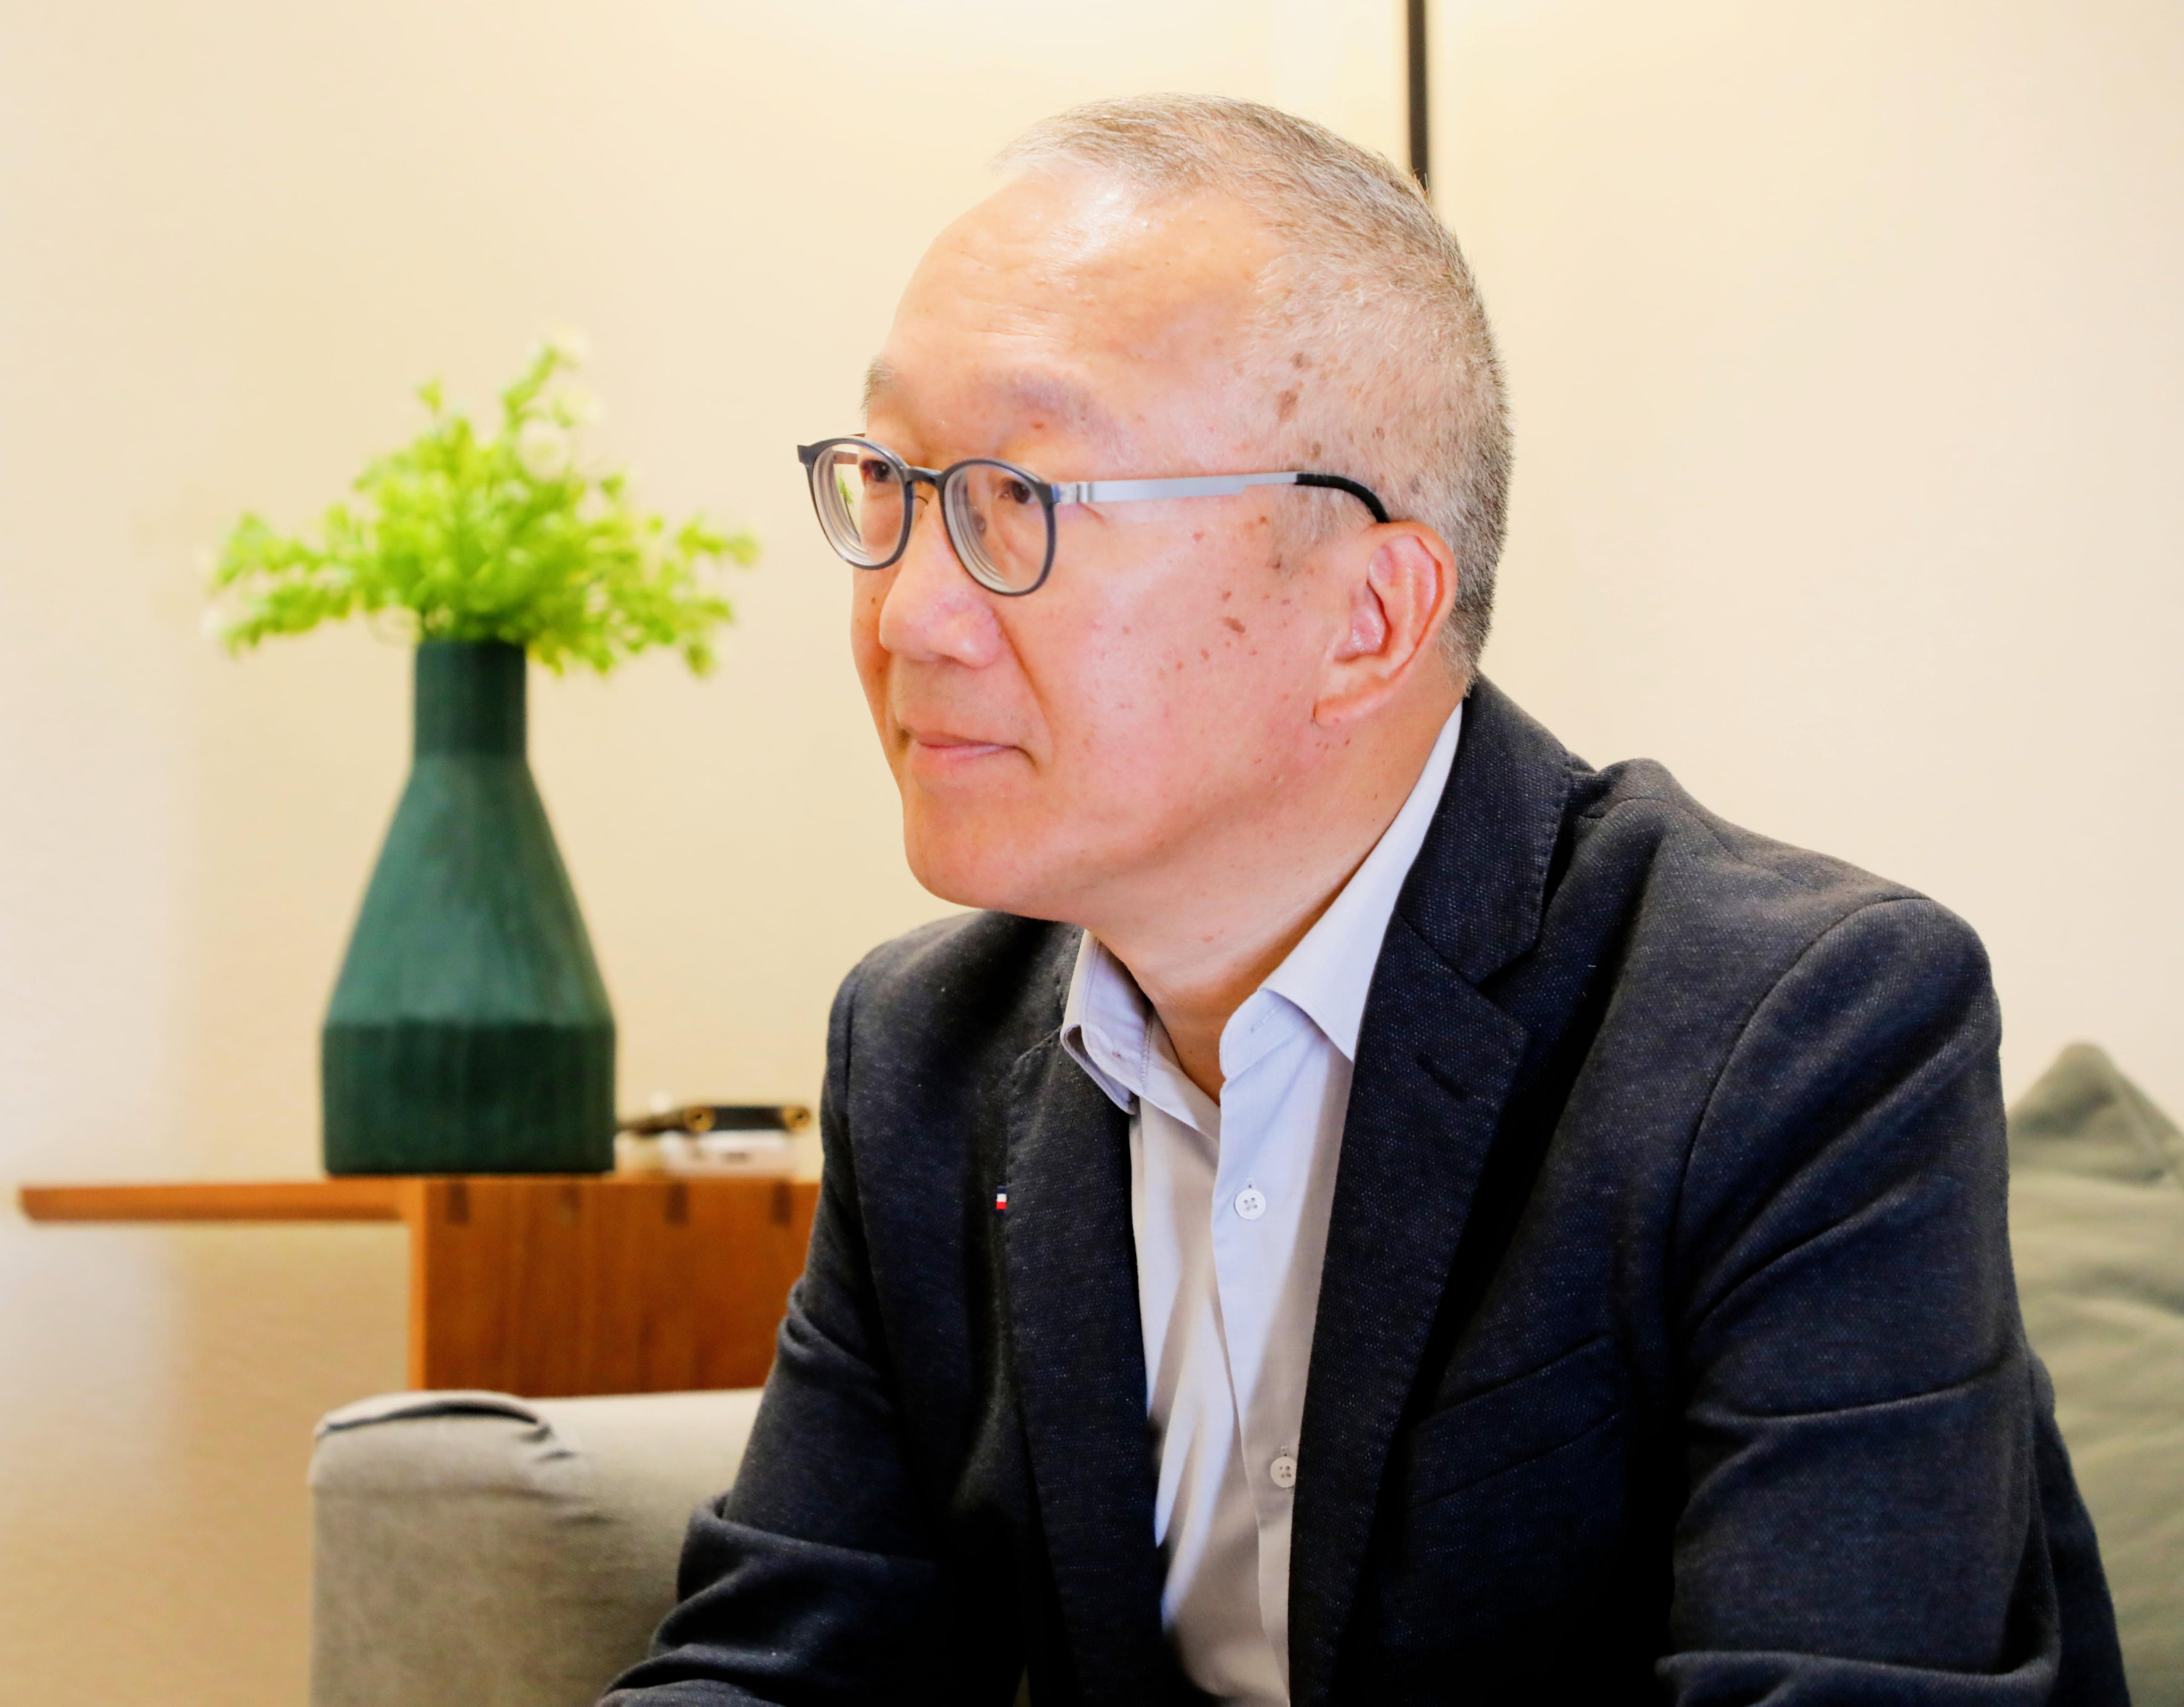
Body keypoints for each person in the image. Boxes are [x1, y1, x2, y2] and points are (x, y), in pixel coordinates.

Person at [605, 95, 2125, 1706]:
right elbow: (777, 1664)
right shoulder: (927, 1048)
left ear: (1370, 619)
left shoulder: (1800, 1037)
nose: (910, 614)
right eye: (890, 482)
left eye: (1020, 501)